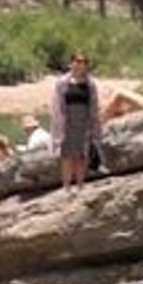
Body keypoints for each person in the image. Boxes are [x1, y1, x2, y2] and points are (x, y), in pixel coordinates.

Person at [52, 52, 103, 188]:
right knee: (67, 156)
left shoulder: (90, 83)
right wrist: (58, 128)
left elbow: (94, 106)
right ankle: (67, 186)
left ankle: (80, 184)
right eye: (77, 61)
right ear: (71, 63)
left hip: (84, 122)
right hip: (67, 121)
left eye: (83, 62)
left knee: (82, 156)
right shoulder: (62, 82)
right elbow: (58, 106)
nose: (80, 65)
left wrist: (96, 127)